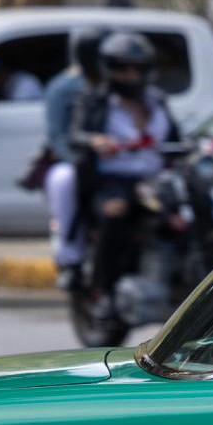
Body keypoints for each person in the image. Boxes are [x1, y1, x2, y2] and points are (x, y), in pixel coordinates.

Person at [71, 32, 175, 304]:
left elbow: (178, 137)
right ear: (108, 68)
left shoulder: (157, 101)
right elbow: (77, 134)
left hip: (156, 180)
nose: (130, 74)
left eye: (136, 68)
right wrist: (95, 140)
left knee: (191, 212)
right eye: (122, 68)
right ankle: (102, 290)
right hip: (115, 180)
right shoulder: (96, 100)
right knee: (115, 213)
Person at [39, 28, 104, 286]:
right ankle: (70, 258)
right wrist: (78, 160)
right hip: (76, 161)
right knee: (65, 181)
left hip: (113, 160)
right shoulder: (62, 88)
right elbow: (58, 136)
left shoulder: (114, 84)